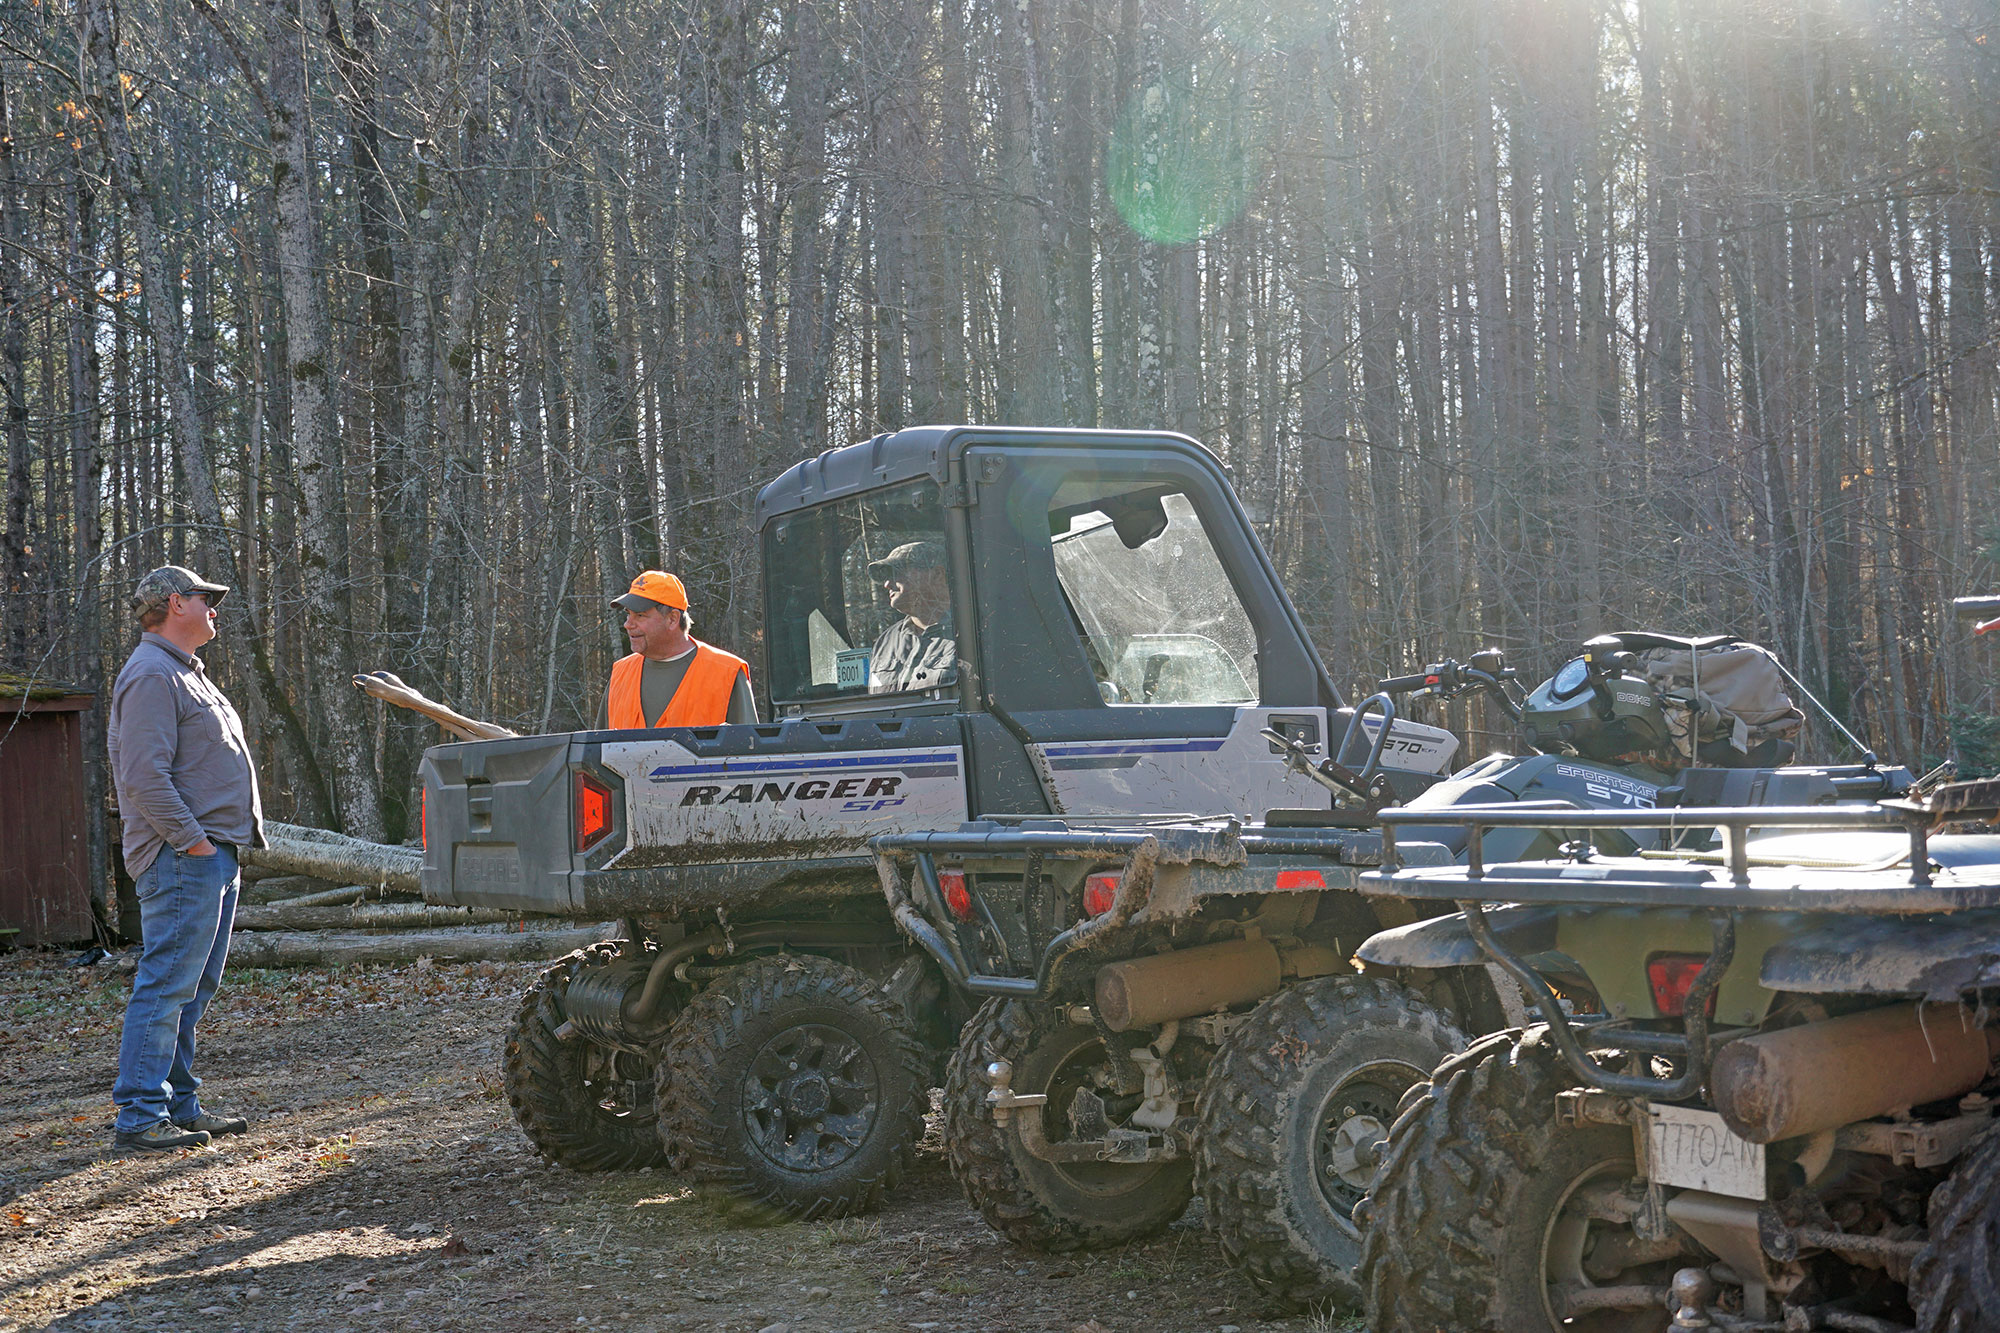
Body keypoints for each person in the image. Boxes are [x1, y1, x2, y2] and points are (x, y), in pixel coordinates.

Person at [108, 565, 265, 1152]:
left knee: (191, 989)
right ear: (176, 604)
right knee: (167, 985)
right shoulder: (151, 674)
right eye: (207, 599)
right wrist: (193, 842)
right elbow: (144, 777)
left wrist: (211, 848)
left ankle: (176, 1104)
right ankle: (140, 1117)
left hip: (208, 857)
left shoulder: (183, 674)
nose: (214, 609)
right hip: (184, 857)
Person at [600, 570, 756, 728]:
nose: (628, 624)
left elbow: (750, 748)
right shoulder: (620, 675)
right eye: (628, 615)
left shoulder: (726, 673)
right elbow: (597, 749)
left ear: (672, 619)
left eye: (640, 616)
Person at [867, 541, 957, 693]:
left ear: (937, 575)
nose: (887, 584)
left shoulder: (970, 635)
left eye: (898, 573)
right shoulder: (886, 641)